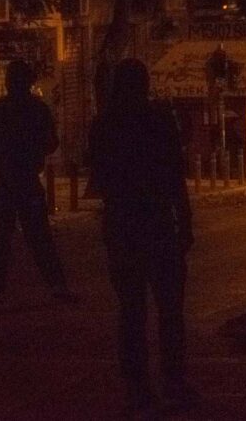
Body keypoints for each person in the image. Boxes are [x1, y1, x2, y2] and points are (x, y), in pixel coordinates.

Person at [87, 59, 196, 412]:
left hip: (122, 224)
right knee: (169, 310)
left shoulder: (103, 124)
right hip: (158, 223)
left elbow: (99, 178)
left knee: (131, 310)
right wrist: (185, 220)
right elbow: (175, 175)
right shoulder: (159, 119)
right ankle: (173, 382)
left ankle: (138, 387)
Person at [0, 60, 76, 301]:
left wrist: (1, 155)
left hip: (3, 179)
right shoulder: (37, 109)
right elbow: (51, 142)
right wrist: (32, 153)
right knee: (38, 234)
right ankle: (56, 284)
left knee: (0, 235)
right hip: (26, 178)